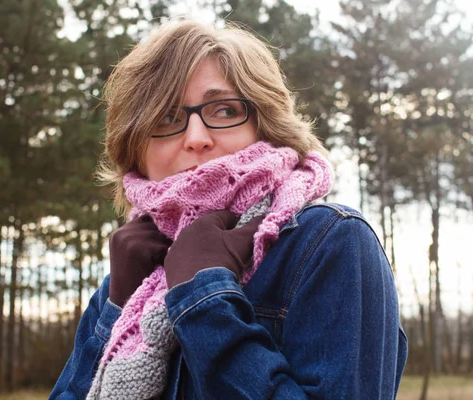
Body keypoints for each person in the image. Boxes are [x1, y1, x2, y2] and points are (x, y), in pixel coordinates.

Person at [50, 19, 407, 400]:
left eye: (223, 110)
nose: (197, 138)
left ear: (264, 125)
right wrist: (116, 308)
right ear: (135, 148)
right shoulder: (132, 280)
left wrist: (203, 298)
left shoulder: (329, 243)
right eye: (167, 118)